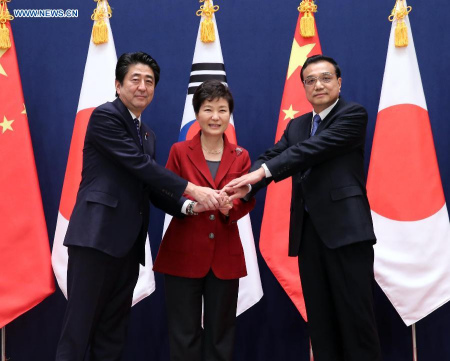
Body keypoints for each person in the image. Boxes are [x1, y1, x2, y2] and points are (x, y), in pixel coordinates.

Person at [55, 52, 222, 361]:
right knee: (78, 332)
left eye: (149, 81)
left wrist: (187, 207)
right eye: (135, 79)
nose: (143, 86)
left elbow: (149, 186)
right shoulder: (105, 116)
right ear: (118, 85)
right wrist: (192, 188)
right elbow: (140, 166)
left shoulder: (148, 134)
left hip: (128, 248)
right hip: (95, 239)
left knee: (112, 333)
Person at [226, 55, 381, 361]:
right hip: (308, 235)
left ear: (339, 82)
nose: (318, 85)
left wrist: (262, 173)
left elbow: (311, 150)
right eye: (310, 80)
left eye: (325, 78)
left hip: (347, 234)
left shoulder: (352, 115)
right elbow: (274, 154)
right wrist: (247, 185)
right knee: (321, 325)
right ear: (304, 88)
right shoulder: (297, 125)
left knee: (356, 322)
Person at [153, 80, 255, 361]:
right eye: (208, 109)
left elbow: (246, 199)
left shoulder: (241, 155)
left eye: (222, 110)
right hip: (182, 253)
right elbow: (164, 193)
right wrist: (190, 206)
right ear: (197, 113)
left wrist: (226, 208)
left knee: (221, 334)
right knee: (183, 334)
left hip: (224, 256)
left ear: (229, 115)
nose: (215, 117)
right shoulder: (178, 151)